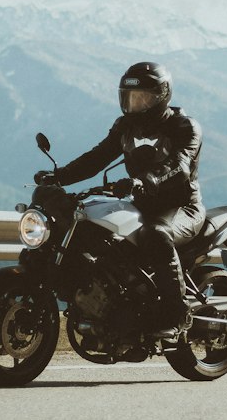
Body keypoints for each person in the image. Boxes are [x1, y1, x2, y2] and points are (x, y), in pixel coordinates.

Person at [35, 61, 205, 337]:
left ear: (161, 97)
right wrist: (59, 177)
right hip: (139, 202)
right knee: (100, 236)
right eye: (129, 98)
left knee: (156, 235)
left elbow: (179, 165)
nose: (134, 104)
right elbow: (97, 158)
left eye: (142, 98)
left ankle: (177, 313)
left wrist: (146, 180)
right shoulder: (125, 126)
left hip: (180, 207)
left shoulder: (184, 127)